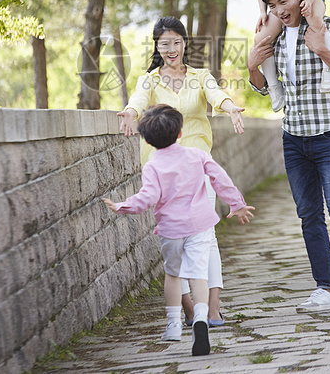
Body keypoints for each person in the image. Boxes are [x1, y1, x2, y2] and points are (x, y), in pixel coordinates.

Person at [247, 0, 330, 314]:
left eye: (283, 0)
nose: (279, 10)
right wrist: (253, 67)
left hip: (329, 135)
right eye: (271, 5)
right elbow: (265, 88)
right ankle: (325, 288)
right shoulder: (276, 39)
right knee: (309, 215)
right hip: (294, 139)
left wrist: (321, 50)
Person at [117, 16, 245, 327]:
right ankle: (189, 307)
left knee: (206, 236)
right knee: (175, 238)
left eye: (177, 42)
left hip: (197, 167)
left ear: (184, 43)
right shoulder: (149, 80)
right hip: (162, 172)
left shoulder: (200, 77)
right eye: (165, 43)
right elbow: (137, 101)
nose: (171, 48)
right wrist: (130, 113)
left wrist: (230, 108)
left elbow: (216, 95)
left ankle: (212, 309)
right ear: (157, 46)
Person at [103, 104, 255, 355]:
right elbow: (220, 178)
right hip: (200, 225)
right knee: (198, 275)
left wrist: (122, 206)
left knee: (173, 274)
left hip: (171, 230)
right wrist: (236, 204)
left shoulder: (152, 166)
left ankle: (173, 324)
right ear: (180, 133)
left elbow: (147, 197)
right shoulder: (197, 155)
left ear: (148, 142)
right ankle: (201, 319)